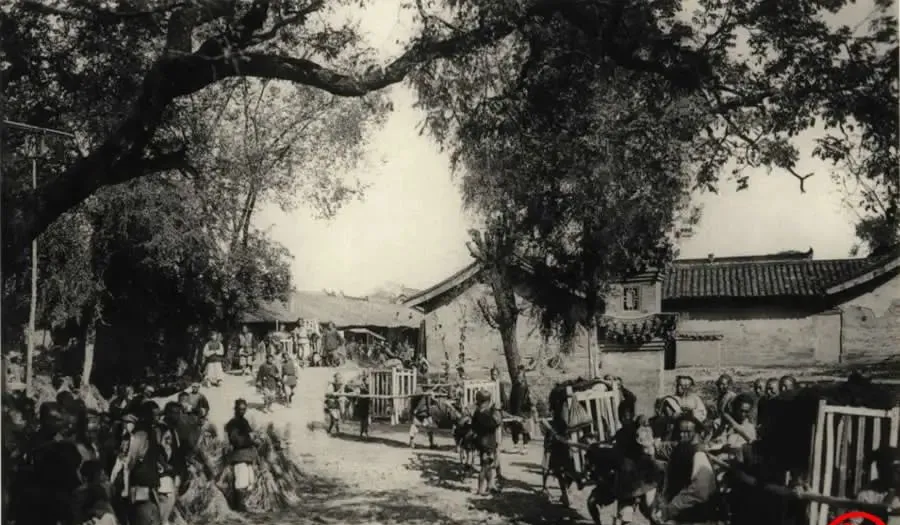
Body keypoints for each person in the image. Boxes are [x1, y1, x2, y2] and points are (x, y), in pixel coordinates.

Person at [653, 414, 721, 525]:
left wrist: (670, 509)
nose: (682, 435)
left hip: (695, 516)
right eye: (680, 431)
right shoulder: (678, 450)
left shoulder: (699, 455)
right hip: (677, 512)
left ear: (696, 433)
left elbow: (700, 491)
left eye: (687, 432)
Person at [224, 399, 258, 512]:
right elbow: (236, 441)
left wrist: (253, 439)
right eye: (240, 409)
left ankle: (242, 505)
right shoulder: (233, 423)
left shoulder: (244, 421)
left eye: (244, 409)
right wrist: (251, 441)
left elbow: (250, 435)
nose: (242, 411)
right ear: (235, 409)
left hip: (247, 455)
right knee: (241, 482)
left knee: (249, 482)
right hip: (239, 455)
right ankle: (239, 507)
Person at [471, 389, 503, 495]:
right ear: (486, 401)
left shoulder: (477, 412)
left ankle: (490, 486)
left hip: (482, 441)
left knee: (488, 466)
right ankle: (480, 489)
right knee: (484, 467)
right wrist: (496, 412)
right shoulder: (483, 414)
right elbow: (495, 423)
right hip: (486, 443)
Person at [356, 373, 372, 439]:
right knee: (362, 420)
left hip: (366, 404)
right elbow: (358, 394)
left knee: (366, 420)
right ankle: (362, 433)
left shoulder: (369, 387)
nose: (367, 381)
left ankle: (365, 432)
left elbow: (369, 395)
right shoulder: (361, 387)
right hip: (361, 404)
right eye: (366, 380)